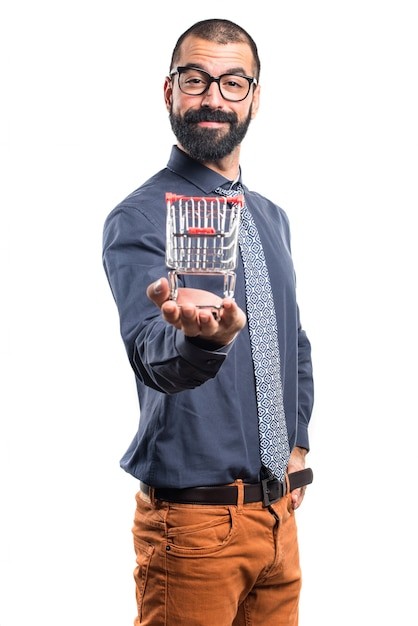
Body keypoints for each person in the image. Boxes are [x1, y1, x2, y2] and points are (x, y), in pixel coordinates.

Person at [102, 18, 314, 626]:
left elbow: (291, 340)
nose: (213, 98)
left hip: (278, 518)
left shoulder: (269, 217)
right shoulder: (139, 218)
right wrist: (203, 342)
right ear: (169, 91)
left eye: (232, 82)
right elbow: (154, 350)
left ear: (254, 96)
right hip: (194, 530)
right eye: (196, 80)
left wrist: (296, 445)